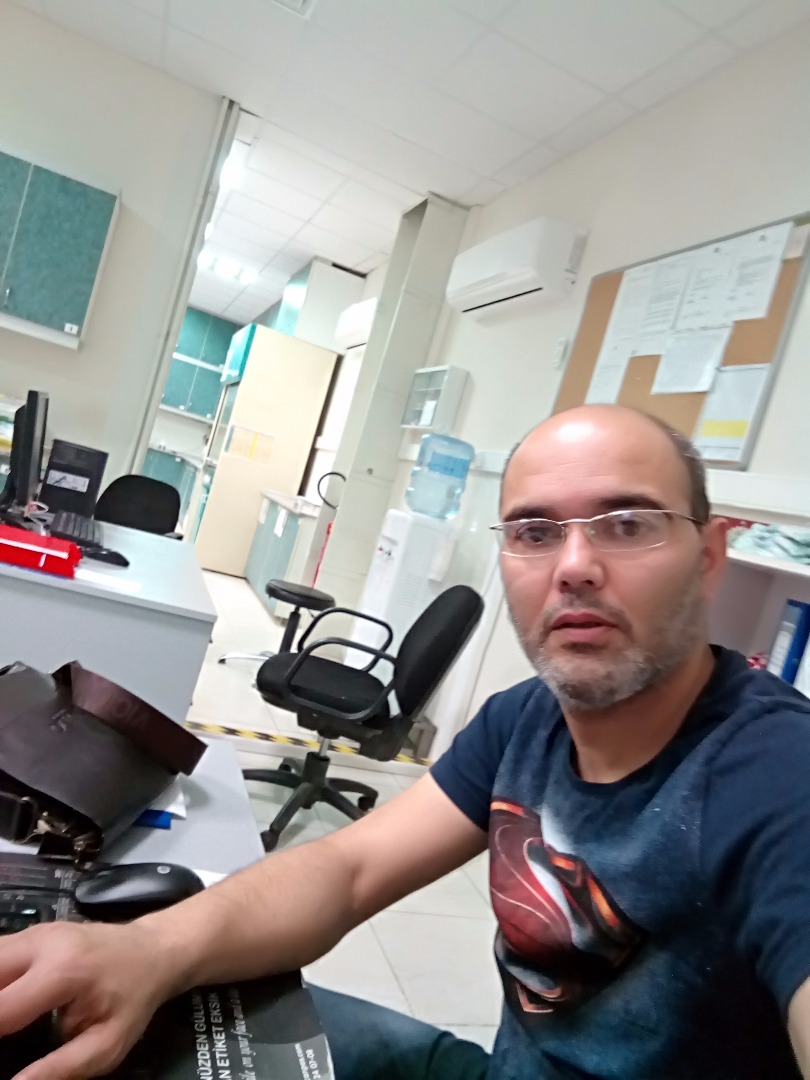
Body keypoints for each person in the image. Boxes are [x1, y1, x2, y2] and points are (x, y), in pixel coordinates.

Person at [4, 403, 810, 1080]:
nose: (574, 566)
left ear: (709, 558)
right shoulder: (526, 719)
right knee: (143, 1018)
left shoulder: (776, 774)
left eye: (626, 524)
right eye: (534, 531)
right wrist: (150, 950)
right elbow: (349, 870)